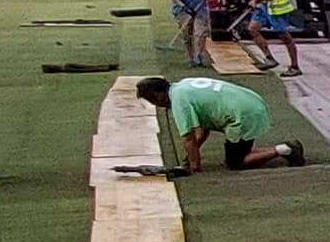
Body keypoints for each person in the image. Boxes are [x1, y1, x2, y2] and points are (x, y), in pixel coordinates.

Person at [130, 73, 307, 174]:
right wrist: (193, 155)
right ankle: (283, 149)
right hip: (249, 103)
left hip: (244, 114)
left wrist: (193, 166)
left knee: (236, 163)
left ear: (158, 95)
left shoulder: (178, 100)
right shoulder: (183, 85)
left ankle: (286, 149)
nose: (158, 106)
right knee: (237, 152)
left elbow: (189, 138)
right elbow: (203, 128)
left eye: (153, 101)